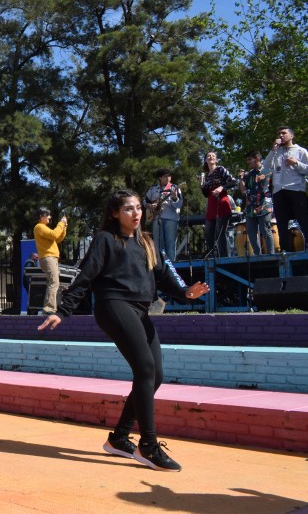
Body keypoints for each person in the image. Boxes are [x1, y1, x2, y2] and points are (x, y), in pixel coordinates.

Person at [38, 189, 208, 472]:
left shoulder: (146, 242)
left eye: (138, 207)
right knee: (145, 368)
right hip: (113, 305)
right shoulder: (106, 240)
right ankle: (148, 445)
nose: (136, 213)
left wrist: (185, 292)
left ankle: (119, 438)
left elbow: (165, 275)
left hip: (139, 309)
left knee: (155, 375)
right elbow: (86, 276)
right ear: (115, 213)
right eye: (128, 209)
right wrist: (63, 310)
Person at [263, 126, 308, 252]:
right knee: (281, 223)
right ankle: (285, 251)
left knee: (303, 220)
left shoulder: (301, 151)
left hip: (296, 190)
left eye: (284, 133)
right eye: (279, 134)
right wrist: (273, 150)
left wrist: (296, 163)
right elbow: (266, 167)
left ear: (291, 136)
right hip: (278, 191)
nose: (281, 136)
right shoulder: (276, 152)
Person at [237, 151, 275, 256]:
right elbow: (243, 191)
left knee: (265, 230)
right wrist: (241, 179)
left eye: (250, 159)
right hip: (250, 208)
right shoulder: (248, 174)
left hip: (264, 206)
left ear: (257, 158)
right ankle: (257, 255)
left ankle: (272, 255)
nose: (248, 162)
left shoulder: (269, 171)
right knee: (251, 233)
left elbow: (274, 188)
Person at [200, 152, 238, 257]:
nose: (211, 157)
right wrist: (202, 186)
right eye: (208, 156)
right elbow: (206, 194)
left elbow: (233, 181)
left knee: (220, 233)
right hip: (211, 206)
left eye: (213, 156)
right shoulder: (206, 176)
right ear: (205, 160)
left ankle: (225, 258)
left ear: (216, 160)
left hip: (222, 203)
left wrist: (221, 187)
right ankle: (212, 256)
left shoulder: (221, 169)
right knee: (208, 232)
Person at [143, 169, 183, 261]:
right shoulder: (153, 189)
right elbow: (145, 201)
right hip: (156, 218)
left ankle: (171, 265)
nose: (168, 178)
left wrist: (174, 197)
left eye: (169, 176)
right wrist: (150, 205)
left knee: (170, 244)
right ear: (160, 178)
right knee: (157, 244)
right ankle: (159, 265)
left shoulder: (175, 188)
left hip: (171, 218)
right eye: (165, 176)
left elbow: (179, 204)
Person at [33, 207, 67, 315]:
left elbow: (57, 238)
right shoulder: (39, 227)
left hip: (51, 258)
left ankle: (53, 308)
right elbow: (54, 234)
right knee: (54, 282)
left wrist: (64, 227)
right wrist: (61, 224)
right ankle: (49, 308)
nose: (50, 217)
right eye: (47, 215)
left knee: (53, 283)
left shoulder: (43, 228)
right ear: (41, 216)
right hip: (48, 258)